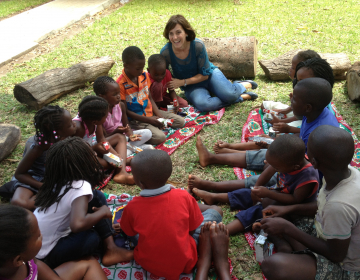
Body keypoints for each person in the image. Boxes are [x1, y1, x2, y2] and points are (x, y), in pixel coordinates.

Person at [194, 78, 339, 187]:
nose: (290, 98)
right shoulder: (316, 113)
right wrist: (275, 143)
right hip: (297, 158)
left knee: (262, 177)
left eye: (294, 99)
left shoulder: (317, 133)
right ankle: (211, 158)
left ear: (307, 107)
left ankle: (211, 187)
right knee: (265, 152)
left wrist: (277, 163)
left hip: (304, 176)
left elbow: (305, 165)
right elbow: (300, 137)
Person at [260, 125, 360, 280]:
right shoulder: (346, 173)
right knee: (271, 202)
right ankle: (292, 247)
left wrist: (288, 229)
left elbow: (336, 255)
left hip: (346, 265)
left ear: (313, 162)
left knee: (273, 266)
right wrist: (288, 210)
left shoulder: (339, 206)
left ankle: (292, 247)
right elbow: (321, 206)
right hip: (326, 230)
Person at [119, 150, 223, 280]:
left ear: (140, 182)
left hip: (149, 264)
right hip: (186, 261)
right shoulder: (183, 196)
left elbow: (130, 234)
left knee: (133, 230)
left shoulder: (132, 207)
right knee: (216, 211)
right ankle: (202, 205)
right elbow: (190, 231)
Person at [34, 137, 133, 269]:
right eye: (91, 154)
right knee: (91, 238)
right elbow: (78, 225)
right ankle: (108, 245)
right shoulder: (80, 185)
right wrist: (103, 212)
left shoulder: (57, 180)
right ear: (83, 162)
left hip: (38, 240)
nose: (95, 154)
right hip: (48, 253)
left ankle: (111, 247)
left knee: (96, 196)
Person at [192, 135, 319, 235]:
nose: (273, 168)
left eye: (276, 167)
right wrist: (256, 189)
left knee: (257, 211)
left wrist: (268, 194)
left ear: (295, 167)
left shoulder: (308, 177)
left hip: (290, 209)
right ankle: (214, 197)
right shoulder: (286, 161)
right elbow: (268, 172)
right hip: (279, 192)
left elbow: (295, 200)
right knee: (246, 193)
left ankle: (224, 230)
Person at [213, 56, 334, 154]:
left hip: (296, 155)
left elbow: (300, 155)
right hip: (300, 130)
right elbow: (301, 120)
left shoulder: (318, 127)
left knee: (270, 151)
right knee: (270, 136)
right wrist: (283, 122)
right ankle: (231, 147)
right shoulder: (312, 108)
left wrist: (285, 130)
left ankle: (225, 153)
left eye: (302, 81)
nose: (296, 84)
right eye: (297, 80)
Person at [160, 14, 258, 112]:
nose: (174, 37)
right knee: (205, 105)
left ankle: (240, 86)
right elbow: (167, 78)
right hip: (191, 86)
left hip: (210, 76)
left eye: (178, 32)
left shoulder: (197, 45)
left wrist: (182, 82)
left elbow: (205, 75)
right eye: (171, 34)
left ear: (186, 32)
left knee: (229, 94)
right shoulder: (166, 53)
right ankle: (240, 97)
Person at [0, 204, 108, 280]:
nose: (41, 235)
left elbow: (36, 264)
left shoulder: (24, 258)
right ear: (18, 260)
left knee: (88, 262)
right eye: (38, 236)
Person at [7, 105, 77, 211]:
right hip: (34, 178)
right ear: (56, 131)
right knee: (18, 202)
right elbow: (20, 174)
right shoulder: (38, 147)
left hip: (56, 177)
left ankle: (54, 198)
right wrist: (43, 186)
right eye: (70, 125)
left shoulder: (66, 138)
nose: (75, 124)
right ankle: (54, 198)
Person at [117, 46, 185, 145]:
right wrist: (149, 120)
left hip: (150, 112)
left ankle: (152, 126)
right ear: (126, 65)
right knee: (160, 137)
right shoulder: (120, 84)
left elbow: (150, 98)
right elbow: (125, 111)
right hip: (137, 120)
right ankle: (141, 131)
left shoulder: (144, 76)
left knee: (180, 121)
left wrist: (160, 116)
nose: (141, 71)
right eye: (138, 68)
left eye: (142, 67)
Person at [73, 95, 134, 184]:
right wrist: (95, 148)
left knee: (120, 137)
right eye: (105, 117)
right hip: (80, 155)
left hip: (91, 148)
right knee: (97, 163)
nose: (106, 118)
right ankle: (123, 162)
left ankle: (121, 172)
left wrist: (115, 154)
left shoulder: (95, 120)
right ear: (95, 121)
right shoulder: (79, 128)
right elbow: (75, 152)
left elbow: (101, 139)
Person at [93, 76, 153, 157]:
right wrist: (116, 132)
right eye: (114, 94)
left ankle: (129, 149)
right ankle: (135, 149)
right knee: (111, 153)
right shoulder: (99, 113)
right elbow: (102, 138)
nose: (118, 96)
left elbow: (126, 124)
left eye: (119, 93)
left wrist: (131, 135)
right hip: (111, 141)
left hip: (124, 137)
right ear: (102, 97)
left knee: (148, 133)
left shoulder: (120, 105)